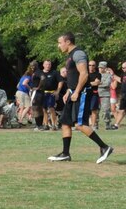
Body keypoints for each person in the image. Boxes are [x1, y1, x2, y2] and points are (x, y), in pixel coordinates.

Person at [47, 32, 114, 163]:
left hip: (82, 93)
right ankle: (65, 153)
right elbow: (74, 76)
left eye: (60, 42)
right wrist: (69, 91)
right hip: (73, 92)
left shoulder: (78, 54)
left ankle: (104, 147)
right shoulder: (70, 56)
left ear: (67, 42)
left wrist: (77, 91)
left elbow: (84, 74)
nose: (58, 46)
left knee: (79, 124)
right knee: (65, 122)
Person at [36, 60, 63, 131]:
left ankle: (54, 124)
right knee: (44, 109)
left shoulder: (54, 73)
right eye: (46, 64)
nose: (48, 66)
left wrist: (58, 91)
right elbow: (35, 81)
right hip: (42, 93)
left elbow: (61, 81)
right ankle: (46, 124)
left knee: (51, 108)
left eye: (49, 64)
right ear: (43, 65)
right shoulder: (39, 73)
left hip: (51, 93)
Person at [98, 61, 114, 130]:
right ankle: (95, 124)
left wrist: (98, 84)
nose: (100, 69)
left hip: (105, 95)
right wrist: (100, 83)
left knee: (106, 110)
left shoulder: (108, 75)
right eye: (99, 67)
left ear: (105, 68)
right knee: (95, 110)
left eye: (102, 68)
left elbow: (107, 84)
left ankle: (107, 124)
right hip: (96, 94)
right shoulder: (96, 74)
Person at [87, 60, 102, 130]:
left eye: (93, 65)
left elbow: (96, 83)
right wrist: (92, 83)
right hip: (85, 93)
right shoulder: (85, 73)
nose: (91, 67)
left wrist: (87, 84)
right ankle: (85, 125)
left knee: (93, 109)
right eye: (90, 65)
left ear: (95, 66)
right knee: (85, 110)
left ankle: (93, 126)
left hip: (94, 93)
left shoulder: (98, 74)